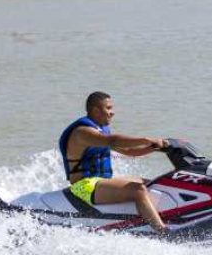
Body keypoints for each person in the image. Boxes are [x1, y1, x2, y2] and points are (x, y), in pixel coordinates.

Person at [59, 92, 169, 233]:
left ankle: (170, 217)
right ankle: (162, 231)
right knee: (138, 190)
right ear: (95, 110)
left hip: (100, 181)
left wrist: (156, 148)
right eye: (109, 108)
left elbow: (130, 151)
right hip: (83, 186)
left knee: (152, 183)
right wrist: (148, 139)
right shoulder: (82, 132)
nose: (113, 113)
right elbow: (113, 141)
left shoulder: (100, 131)